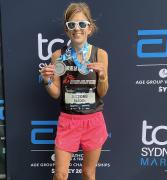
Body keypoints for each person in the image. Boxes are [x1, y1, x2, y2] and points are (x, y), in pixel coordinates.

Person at [40, 2, 109, 180]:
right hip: (68, 121)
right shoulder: (58, 56)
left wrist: (102, 76)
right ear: (67, 29)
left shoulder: (100, 54)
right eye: (72, 25)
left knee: (88, 173)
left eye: (82, 24)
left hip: (93, 121)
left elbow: (102, 92)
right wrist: (47, 79)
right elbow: (56, 93)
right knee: (61, 175)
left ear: (90, 28)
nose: (77, 28)